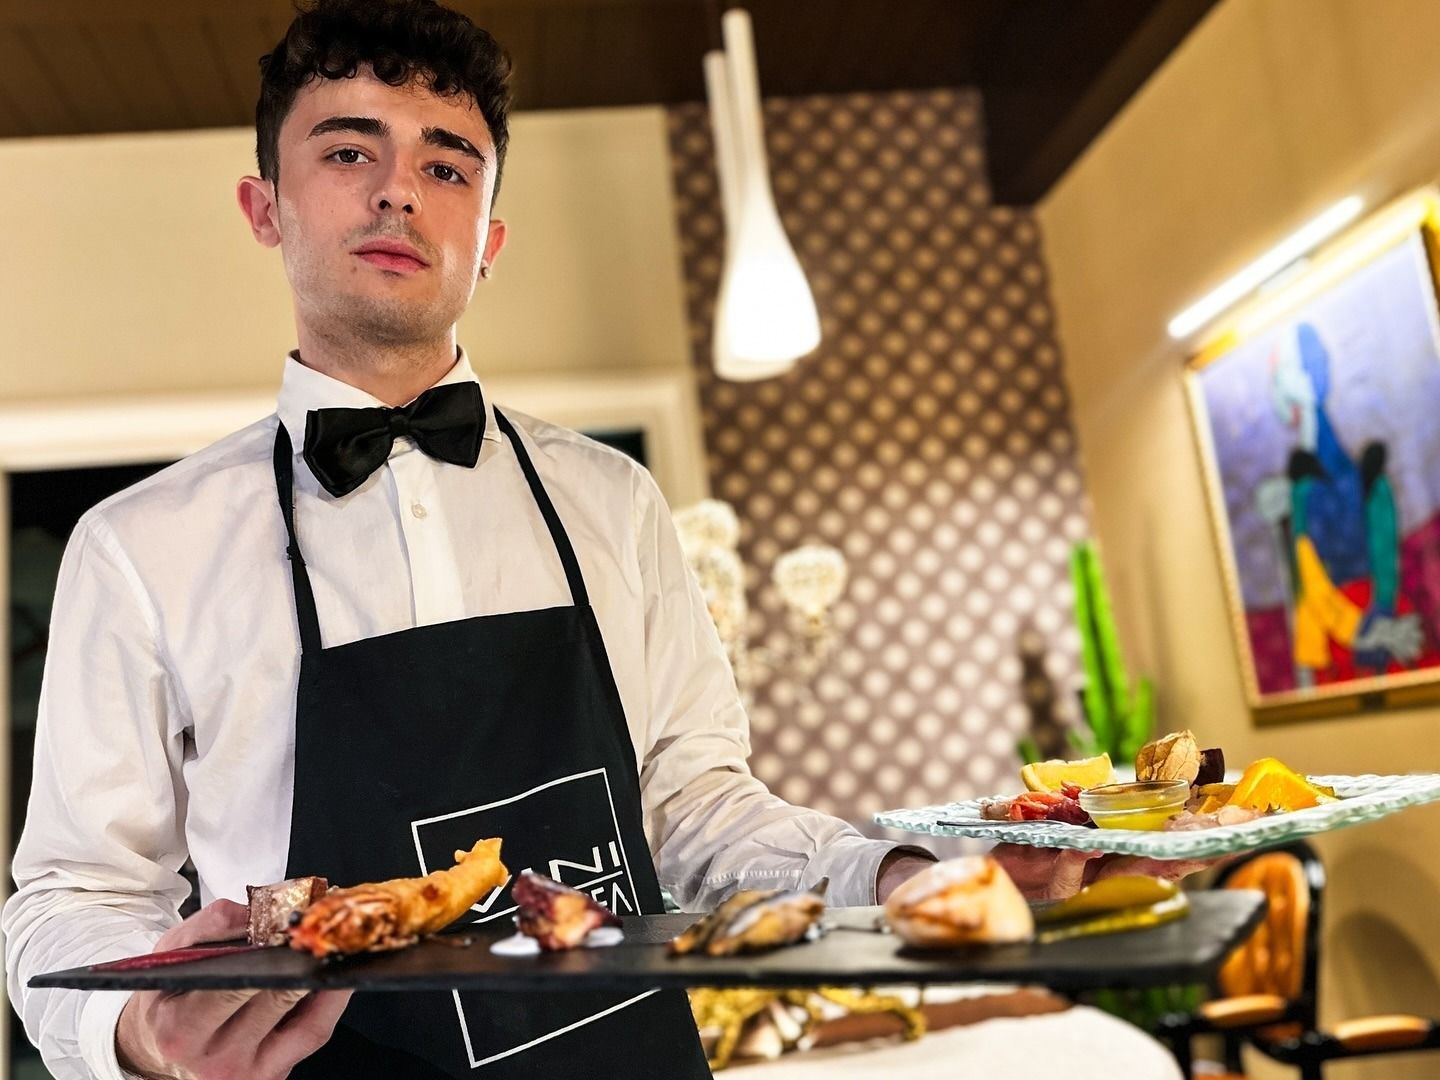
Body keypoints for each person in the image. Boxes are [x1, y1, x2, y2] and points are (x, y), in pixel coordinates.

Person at [2, 2, 1192, 1077]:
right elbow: (69, 893)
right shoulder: (139, 549)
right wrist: (139, 1029)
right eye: (349, 151)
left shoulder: (614, 502)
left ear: (489, 238)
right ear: (266, 207)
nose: (399, 192)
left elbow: (698, 808)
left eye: (446, 164)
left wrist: (910, 877)